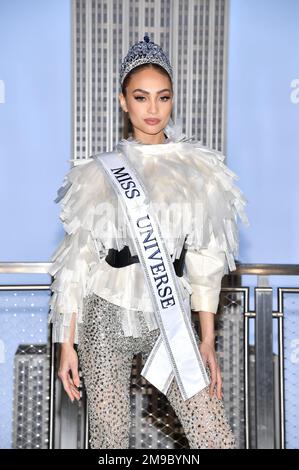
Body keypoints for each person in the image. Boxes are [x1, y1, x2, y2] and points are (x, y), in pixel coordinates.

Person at [48, 34, 249, 449]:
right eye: (141, 97)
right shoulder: (97, 173)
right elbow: (75, 265)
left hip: (168, 316)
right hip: (103, 313)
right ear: (124, 102)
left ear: (173, 99)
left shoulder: (199, 170)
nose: (153, 109)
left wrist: (207, 339)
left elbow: (206, 260)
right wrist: (66, 343)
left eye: (163, 97)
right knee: (109, 442)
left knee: (213, 435)